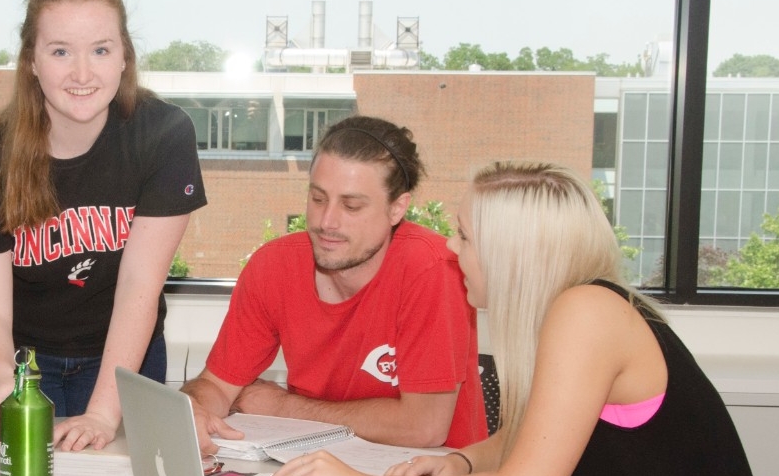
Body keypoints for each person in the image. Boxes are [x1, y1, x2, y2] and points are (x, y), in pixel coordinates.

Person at [275, 161, 752, 475]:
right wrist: (461, 461)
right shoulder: (578, 310)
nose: (449, 247)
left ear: (511, 254)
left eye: (463, 236)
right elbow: (527, 438)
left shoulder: (587, 314)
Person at [0, 0, 207, 451]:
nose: (82, 74)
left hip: (122, 362)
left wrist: (104, 411)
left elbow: (138, 290)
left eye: (100, 50)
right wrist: (7, 383)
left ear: (124, 55)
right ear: (31, 63)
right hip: (10, 363)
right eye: (60, 51)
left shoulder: (164, 135)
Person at [181, 115, 486, 454]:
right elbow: (216, 386)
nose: (327, 222)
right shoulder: (272, 266)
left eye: (351, 206)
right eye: (318, 198)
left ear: (397, 208)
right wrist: (193, 407)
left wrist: (283, 406)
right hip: (317, 460)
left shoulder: (433, 268)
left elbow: (423, 427)